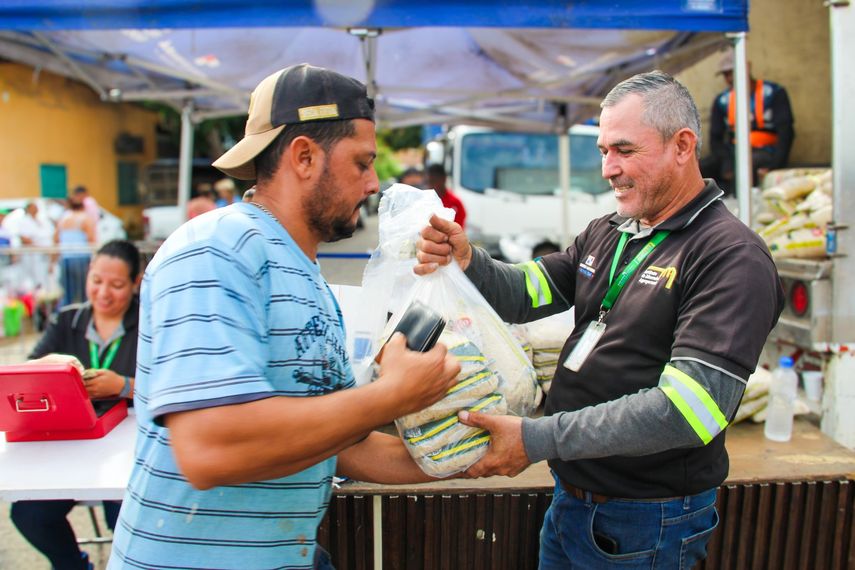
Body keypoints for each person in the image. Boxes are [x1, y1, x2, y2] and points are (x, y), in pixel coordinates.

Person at [415, 70, 784, 569]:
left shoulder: (730, 255)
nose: (608, 168)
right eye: (604, 151)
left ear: (682, 145)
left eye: (625, 150)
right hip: (573, 500)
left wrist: (536, 437)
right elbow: (526, 293)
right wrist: (468, 261)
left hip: (647, 521)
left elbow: (687, 410)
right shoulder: (608, 230)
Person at [108, 64, 460, 569]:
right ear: (304, 157)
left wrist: (468, 458)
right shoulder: (217, 248)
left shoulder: (304, 273)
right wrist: (392, 394)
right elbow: (210, 448)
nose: (373, 183)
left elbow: (344, 444)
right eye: (362, 163)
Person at [10, 239, 141, 570]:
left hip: (129, 451)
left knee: (126, 518)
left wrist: (123, 386)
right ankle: (73, 565)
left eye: (117, 285)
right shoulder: (67, 321)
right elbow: (25, 372)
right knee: (29, 513)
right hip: (70, 446)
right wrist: (53, 364)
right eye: (96, 281)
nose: (103, 293)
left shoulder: (151, 324)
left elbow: (175, 385)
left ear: (136, 283)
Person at [701, 48, 795, 194]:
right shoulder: (722, 101)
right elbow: (715, 139)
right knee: (701, 167)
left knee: (746, 164)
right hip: (733, 152)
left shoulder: (774, 93)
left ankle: (739, 207)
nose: (729, 78)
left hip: (765, 151)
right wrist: (727, 161)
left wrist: (775, 165)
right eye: (726, 74)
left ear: (747, 67)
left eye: (732, 72)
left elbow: (786, 132)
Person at [55, 193, 96, 306]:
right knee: (84, 293)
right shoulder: (85, 218)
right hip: (81, 258)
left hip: (66, 258)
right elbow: (91, 239)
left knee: (68, 294)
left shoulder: (63, 218)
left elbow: (56, 238)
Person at [426, 163, 466, 228]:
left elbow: (459, 227)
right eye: (429, 182)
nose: (431, 186)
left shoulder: (455, 203)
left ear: (444, 179)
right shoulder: (426, 202)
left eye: (434, 181)